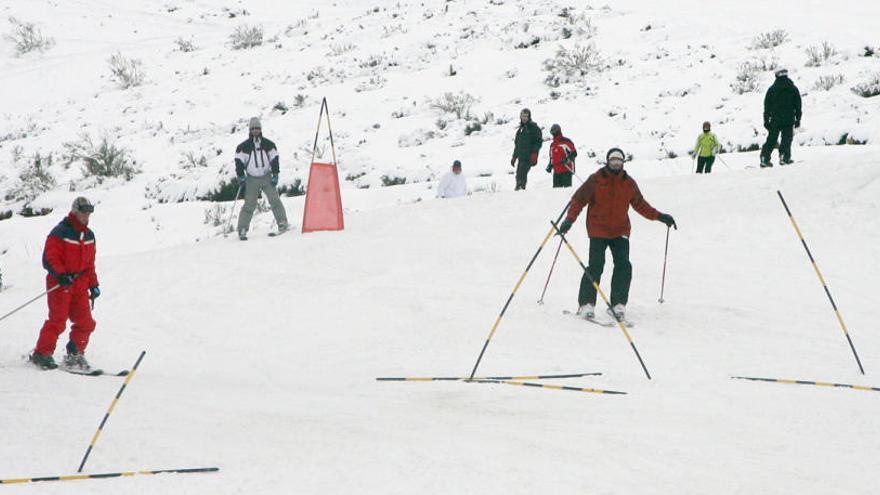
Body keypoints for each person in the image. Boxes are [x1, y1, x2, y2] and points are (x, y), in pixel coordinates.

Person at [557, 148, 677, 322]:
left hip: (620, 231)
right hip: (598, 229)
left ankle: (618, 305)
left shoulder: (628, 183)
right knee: (596, 266)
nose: (615, 163)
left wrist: (660, 217)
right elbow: (578, 201)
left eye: (618, 161)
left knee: (624, 265)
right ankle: (586, 305)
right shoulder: (596, 179)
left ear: (623, 163)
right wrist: (569, 221)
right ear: (607, 162)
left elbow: (641, 205)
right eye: (613, 160)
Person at [30, 197, 100, 370]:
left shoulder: (89, 236)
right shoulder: (60, 232)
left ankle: (75, 354)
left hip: (80, 284)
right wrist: (61, 275)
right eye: (83, 213)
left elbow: (89, 264)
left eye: (88, 214)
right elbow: (49, 258)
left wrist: (93, 284)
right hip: (61, 283)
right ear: (75, 212)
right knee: (58, 320)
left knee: (85, 322)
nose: (86, 217)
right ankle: (42, 353)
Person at [235, 117, 289, 240]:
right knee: (249, 204)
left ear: (261, 129)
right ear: (249, 130)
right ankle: (242, 229)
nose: (255, 130)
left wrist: (275, 174)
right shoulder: (243, 147)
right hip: (251, 178)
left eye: (257, 128)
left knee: (274, 200)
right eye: (253, 128)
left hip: (266, 176)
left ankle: (282, 222)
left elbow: (274, 159)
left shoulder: (269, 144)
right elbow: (238, 161)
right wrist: (241, 176)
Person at [760, 69, 802, 167]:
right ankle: (784, 156)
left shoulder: (772, 89)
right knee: (786, 138)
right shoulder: (793, 88)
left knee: (771, 139)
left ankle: (764, 158)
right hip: (789, 118)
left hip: (775, 119)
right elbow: (798, 105)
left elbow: (767, 106)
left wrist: (766, 120)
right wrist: (798, 118)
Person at [510, 108, 542, 191]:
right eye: (522, 116)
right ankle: (518, 188)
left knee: (522, 173)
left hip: (529, 156)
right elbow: (517, 146)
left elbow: (538, 142)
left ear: (529, 117)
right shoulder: (520, 130)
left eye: (526, 116)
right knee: (518, 174)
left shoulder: (534, 128)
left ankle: (520, 189)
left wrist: (534, 153)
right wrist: (514, 157)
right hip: (521, 157)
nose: (524, 118)